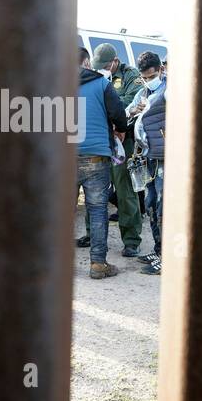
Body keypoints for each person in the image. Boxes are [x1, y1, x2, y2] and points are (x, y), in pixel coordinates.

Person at [87, 42, 144, 257]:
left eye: (105, 65)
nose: (101, 68)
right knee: (94, 188)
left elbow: (133, 100)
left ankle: (131, 240)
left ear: (115, 61)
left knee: (124, 189)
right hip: (100, 138)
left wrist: (110, 104)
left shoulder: (130, 75)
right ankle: (91, 235)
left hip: (122, 140)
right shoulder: (93, 76)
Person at [77, 45, 128, 278]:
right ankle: (98, 264)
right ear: (87, 63)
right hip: (96, 156)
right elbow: (119, 114)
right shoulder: (102, 84)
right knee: (97, 210)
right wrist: (120, 129)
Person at [127, 50, 166, 275]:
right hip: (148, 157)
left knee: (163, 206)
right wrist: (135, 109)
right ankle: (158, 249)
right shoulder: (142, 91)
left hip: (165, 158)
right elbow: (127, 111)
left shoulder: (170, 89)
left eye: (151, 76)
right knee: (150, 203)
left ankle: (166, 257)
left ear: (160, 70)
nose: (148, 81)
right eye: (145, 77)